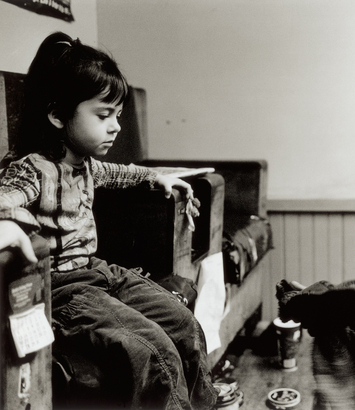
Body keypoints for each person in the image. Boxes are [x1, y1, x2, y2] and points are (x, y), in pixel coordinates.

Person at [0, 32, 217, 409]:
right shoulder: (31, 170)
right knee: (151, 349)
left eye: (116, 115)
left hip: (98, 272)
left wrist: (156, 177)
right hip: (63, 291)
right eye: (103, 116)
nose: (116, 126)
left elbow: (123, 173)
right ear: (56, 115)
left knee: (183, 323)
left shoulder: (84, 164)